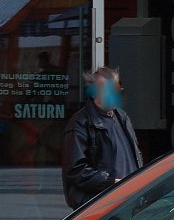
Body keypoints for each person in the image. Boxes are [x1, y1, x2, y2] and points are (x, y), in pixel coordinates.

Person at [61, 67, 143, 209]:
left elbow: (135, 156)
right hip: (99, 206)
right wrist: (111, 183)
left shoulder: (122, 117)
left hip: (129, 202)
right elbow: (75, 170)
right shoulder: (80, 122)